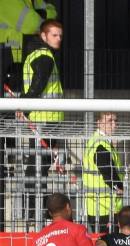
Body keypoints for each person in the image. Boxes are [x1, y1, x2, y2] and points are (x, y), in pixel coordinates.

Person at [20, 19, 63, 221]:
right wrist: (25, 107)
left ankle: (35, 210)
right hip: (44, 120)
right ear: (44, 36)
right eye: (54, 35)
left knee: (40, 166)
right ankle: (34, 211)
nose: (59, 39)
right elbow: (37, 85)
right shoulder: (44, 57)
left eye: (60, 35)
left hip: (46, 120)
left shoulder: (39, 55)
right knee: (38, 167)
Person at [0, 0, 57, 91]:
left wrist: (41, 15)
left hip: (25, 59)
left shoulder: (35, 1)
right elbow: (32, 24)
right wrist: (42, 15)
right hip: (8, 59)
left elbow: (53, 13)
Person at [82, 112, 124, 233]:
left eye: (115, 121)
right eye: (110, 121)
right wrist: (118, 187)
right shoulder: (100, 144)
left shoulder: (100, 141)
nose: (114, 125)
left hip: (101, 204)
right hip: (103, 206)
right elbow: (107, 170)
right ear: (99, 123)